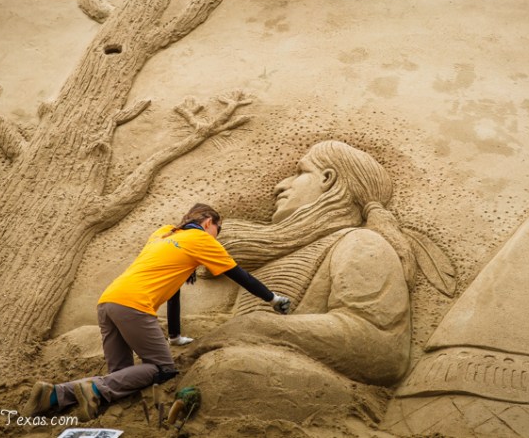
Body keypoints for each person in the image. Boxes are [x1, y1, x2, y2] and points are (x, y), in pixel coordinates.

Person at [176, 141, 415, 423]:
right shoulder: (283, 255)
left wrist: (257, 326)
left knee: (232, 371)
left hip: (305, 385)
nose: (280, 186)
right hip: (252, 365)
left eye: (299, 172)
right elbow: (234, 326)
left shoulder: (361, 242)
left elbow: (382, 347)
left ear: (328, 179)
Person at [23, 203, 290, 421]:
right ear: (209, 222)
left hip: (108, 301)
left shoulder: (163, 233)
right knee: (163, 369)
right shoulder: (199, 238)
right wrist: (272, 298)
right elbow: (238, 274)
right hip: (134, 306)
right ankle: (91, 388)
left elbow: (172, 289)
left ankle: (54, 395)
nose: (217, 236)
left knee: (122, 377)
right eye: (218, 229)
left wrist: (174, 336)